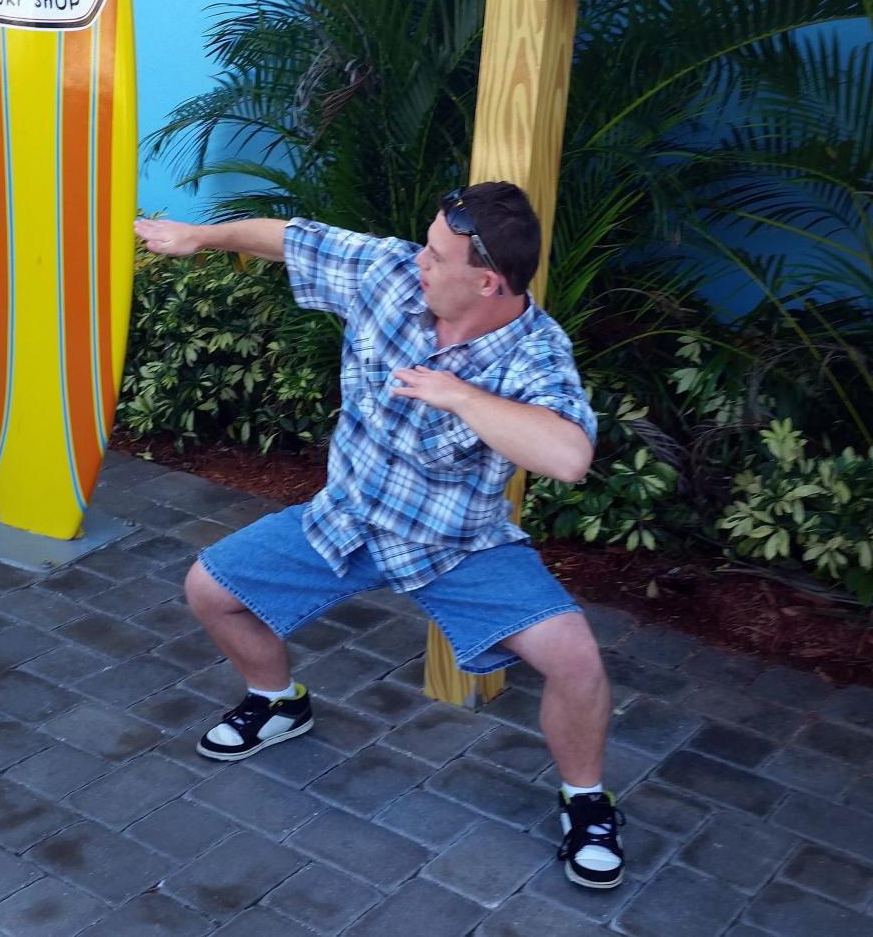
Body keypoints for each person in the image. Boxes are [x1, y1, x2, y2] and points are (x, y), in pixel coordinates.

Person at [134, 182, 624, 889]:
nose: (418, 260)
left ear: (487, 281)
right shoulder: (390, 275)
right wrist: (199, 237)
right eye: (425, 245)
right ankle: (278, 702)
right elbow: (290, 237)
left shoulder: (536, 353)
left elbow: (568, 455)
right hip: (349, 517)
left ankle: (586, 802)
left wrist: (461, 393)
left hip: (457, 546)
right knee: (210, 589)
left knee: (576, 660)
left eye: (435, 254)